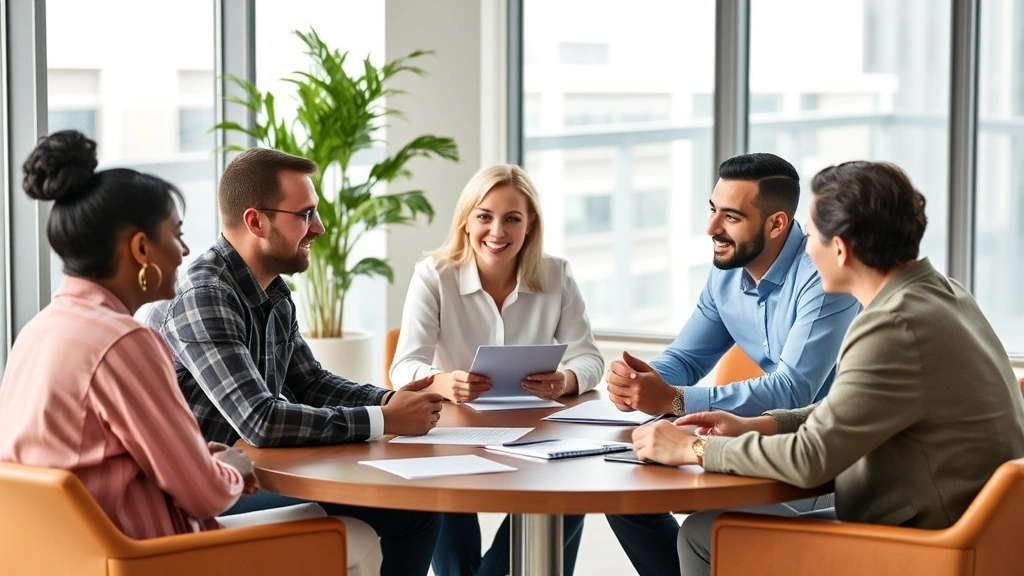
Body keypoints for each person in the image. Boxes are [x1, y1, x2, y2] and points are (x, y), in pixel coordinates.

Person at [629, 161, 1024, 576]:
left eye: (812, 235)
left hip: (927, 542)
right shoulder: (943, 294)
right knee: (721, 520)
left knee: (702, 532)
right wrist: (759, 425)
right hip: (979, 532)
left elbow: (811, 459)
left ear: (840, 249)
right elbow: (852, 408)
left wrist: (691, 448)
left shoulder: (889, 327)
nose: (805, 248)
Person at [144, 147, 442, 576]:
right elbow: (261, 422)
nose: (318, 227)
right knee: (407, 510)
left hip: (236, 475)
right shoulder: (203, 296)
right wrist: (383, 419)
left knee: (414, 508)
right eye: (305, 215)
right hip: (190, 498)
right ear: (255, 221)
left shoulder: (272, 293)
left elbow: (311, 382)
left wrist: (394, 399)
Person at [604, 152, 860, 576]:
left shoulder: (823, 274)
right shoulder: (727, 271)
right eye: (711, 210)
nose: (711, 229)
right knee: (626, 498)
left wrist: (675, 399)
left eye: (731, 217)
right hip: (759, 441)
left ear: (776, 223)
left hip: (820, 465)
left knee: (698, 527)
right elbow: (687, 356)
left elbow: (794, 388)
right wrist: (642, 381)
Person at [390, 164, 604, 576]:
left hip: (537, 431)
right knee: (444, 506)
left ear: (530, 225)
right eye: (485, 216)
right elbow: (403, 367)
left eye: (512, 219)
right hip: (452, 432)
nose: (497, 232)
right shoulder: (435, 275)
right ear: (466, 221)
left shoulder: (556, 274)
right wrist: (441, 381)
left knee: (570, 496)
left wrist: (568, 379)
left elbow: (590, 358)